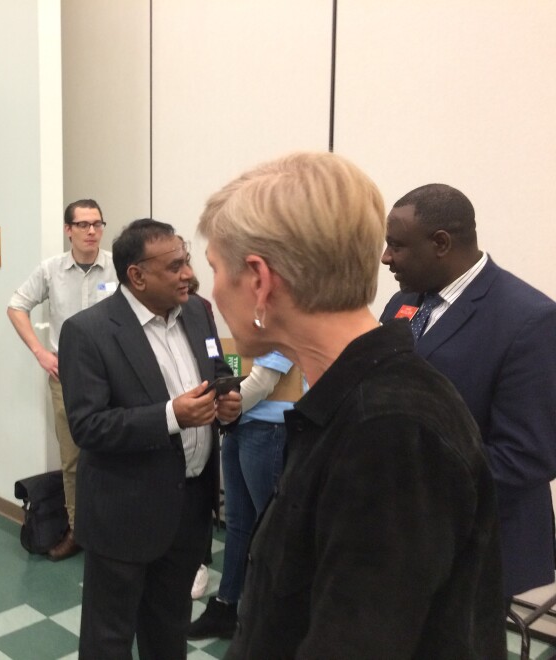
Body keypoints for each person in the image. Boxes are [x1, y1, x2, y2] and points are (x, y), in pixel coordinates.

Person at [198, 152, 505, 658]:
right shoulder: (354, 405)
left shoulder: (390, 433)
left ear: (259, 280)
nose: (210, 289)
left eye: (213, 268)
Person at [58, 219, 242, 659]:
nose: (188, 274)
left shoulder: (197, 312)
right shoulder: (88, 332)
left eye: (186, 261)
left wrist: (227, 404)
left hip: (187, 510)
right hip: (124, 514)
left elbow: (217, 371)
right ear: (136, 275)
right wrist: (169, 416)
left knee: (168, 629)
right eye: (175, 266)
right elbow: (87, 426)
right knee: (110, 638)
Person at [380, 183, 556, 601]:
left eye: (396, 246)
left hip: (474, 549)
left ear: (441, 243)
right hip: (401, 539)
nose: (386, 258)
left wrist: (408, 478)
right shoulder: (402, 304)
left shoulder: (528, 320)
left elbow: (527, 456)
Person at [7, 199, 118, 561]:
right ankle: (78, 529)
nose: (91, 232)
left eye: (97, 224)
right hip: (67, 378)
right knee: (73, 458)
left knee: (114, 453)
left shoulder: (118, 270)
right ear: (68, 230)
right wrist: (41, 352)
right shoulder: (51, 270)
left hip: (114, 377)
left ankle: (112, 527)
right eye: (83, 225)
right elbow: (16, 306)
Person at [187, 353, 301, 639]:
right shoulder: (253, 322)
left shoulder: (280, 317)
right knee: (238, 525)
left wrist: (218, 411)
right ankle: (227, 607)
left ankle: (275, 620)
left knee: (271, 529)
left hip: (269, 428)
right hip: (240, 427)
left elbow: (262, 382)